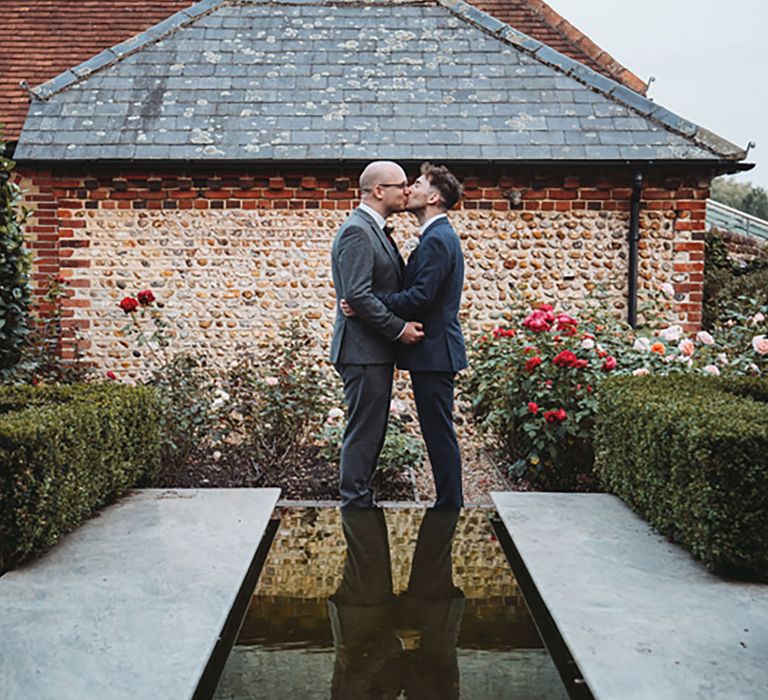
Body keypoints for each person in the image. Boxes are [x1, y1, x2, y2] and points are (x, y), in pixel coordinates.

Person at [342, 163, 467, 508]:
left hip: (435, 351)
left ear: (434, 196)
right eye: (405, 183)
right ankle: (448, 503)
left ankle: (449, 507)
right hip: (430, 352)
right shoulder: (433, 236)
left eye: (418, 183)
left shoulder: (438, 238)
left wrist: (368, 301)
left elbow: (420, 297)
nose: (409, 189)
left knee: (438, 434)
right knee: (435, 431)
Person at [330, 161, 424, 508]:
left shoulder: (374, 229)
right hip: (362, 352)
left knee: (372, 431)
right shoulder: (358, 230)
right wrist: (398, 329)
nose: (408, 190)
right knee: (365, 433)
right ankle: (356, 506)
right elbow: (357, 294)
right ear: (379, 190)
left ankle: (361, 500)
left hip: (371, 352)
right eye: (401, 184)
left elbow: (363, 295)